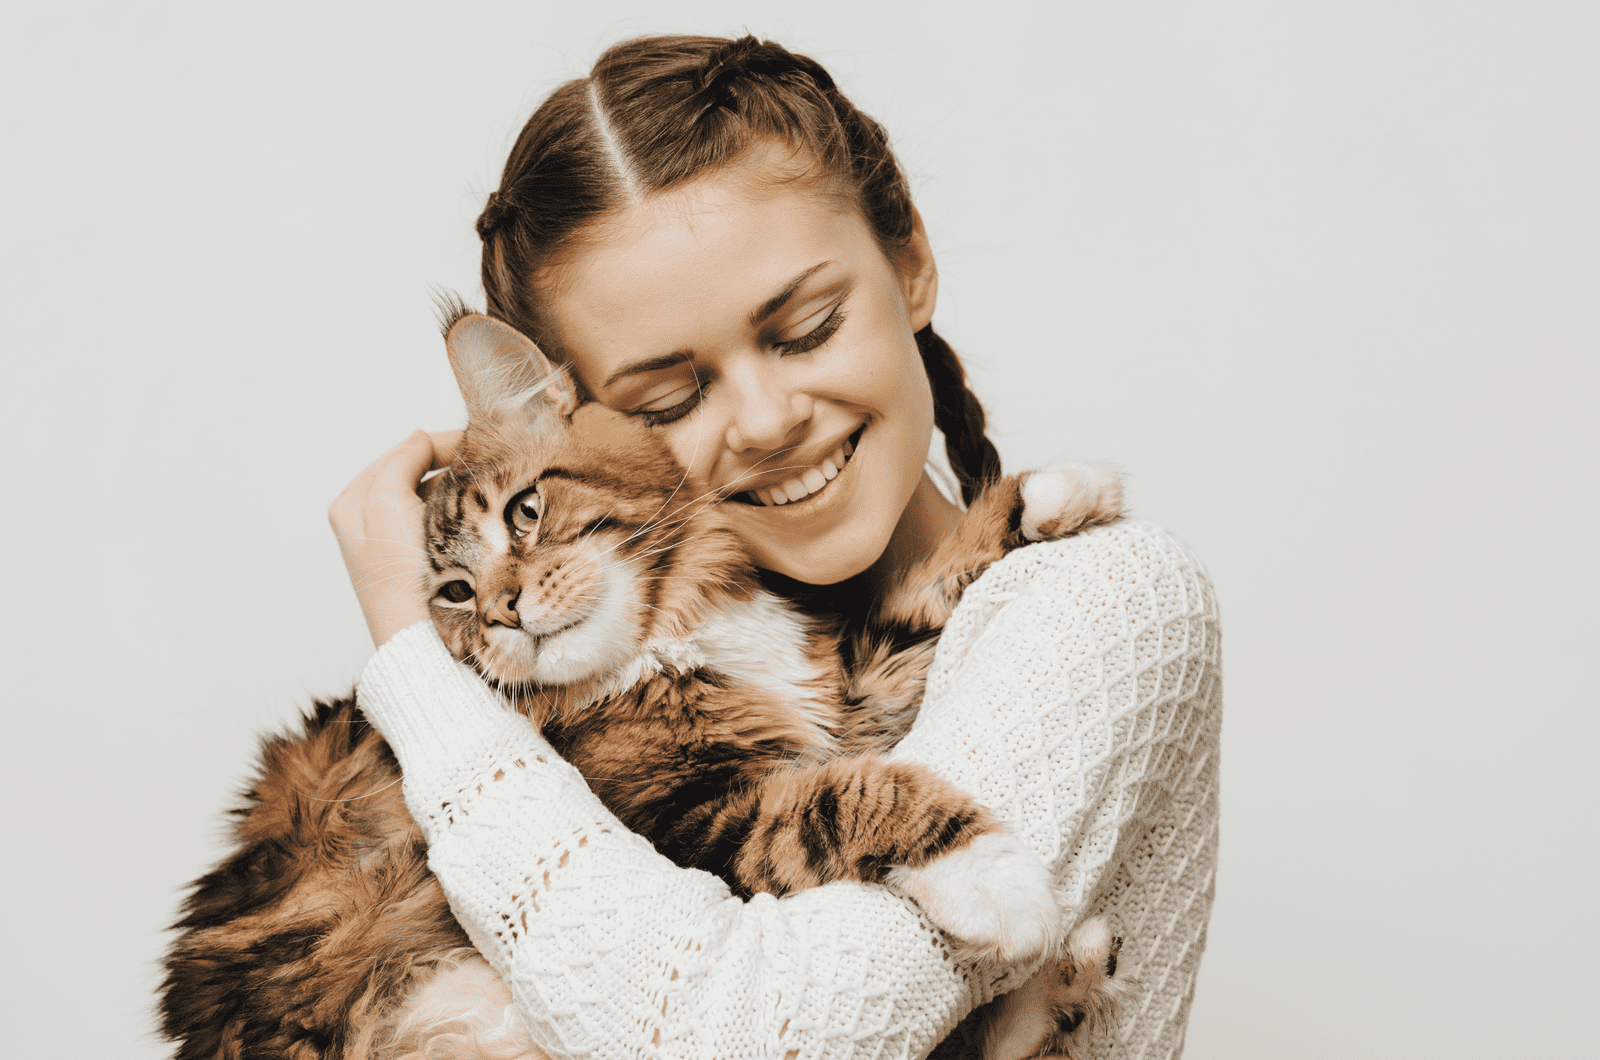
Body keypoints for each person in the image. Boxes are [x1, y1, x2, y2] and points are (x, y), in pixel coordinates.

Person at [331, 34, 1221, 1060]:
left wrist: (416, 672)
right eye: (669, 397)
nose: (763, 420)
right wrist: (413, 639)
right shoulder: (620, 679)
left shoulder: (1106, 597)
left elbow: (737, 1037)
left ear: (911, 265)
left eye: (805, 327)